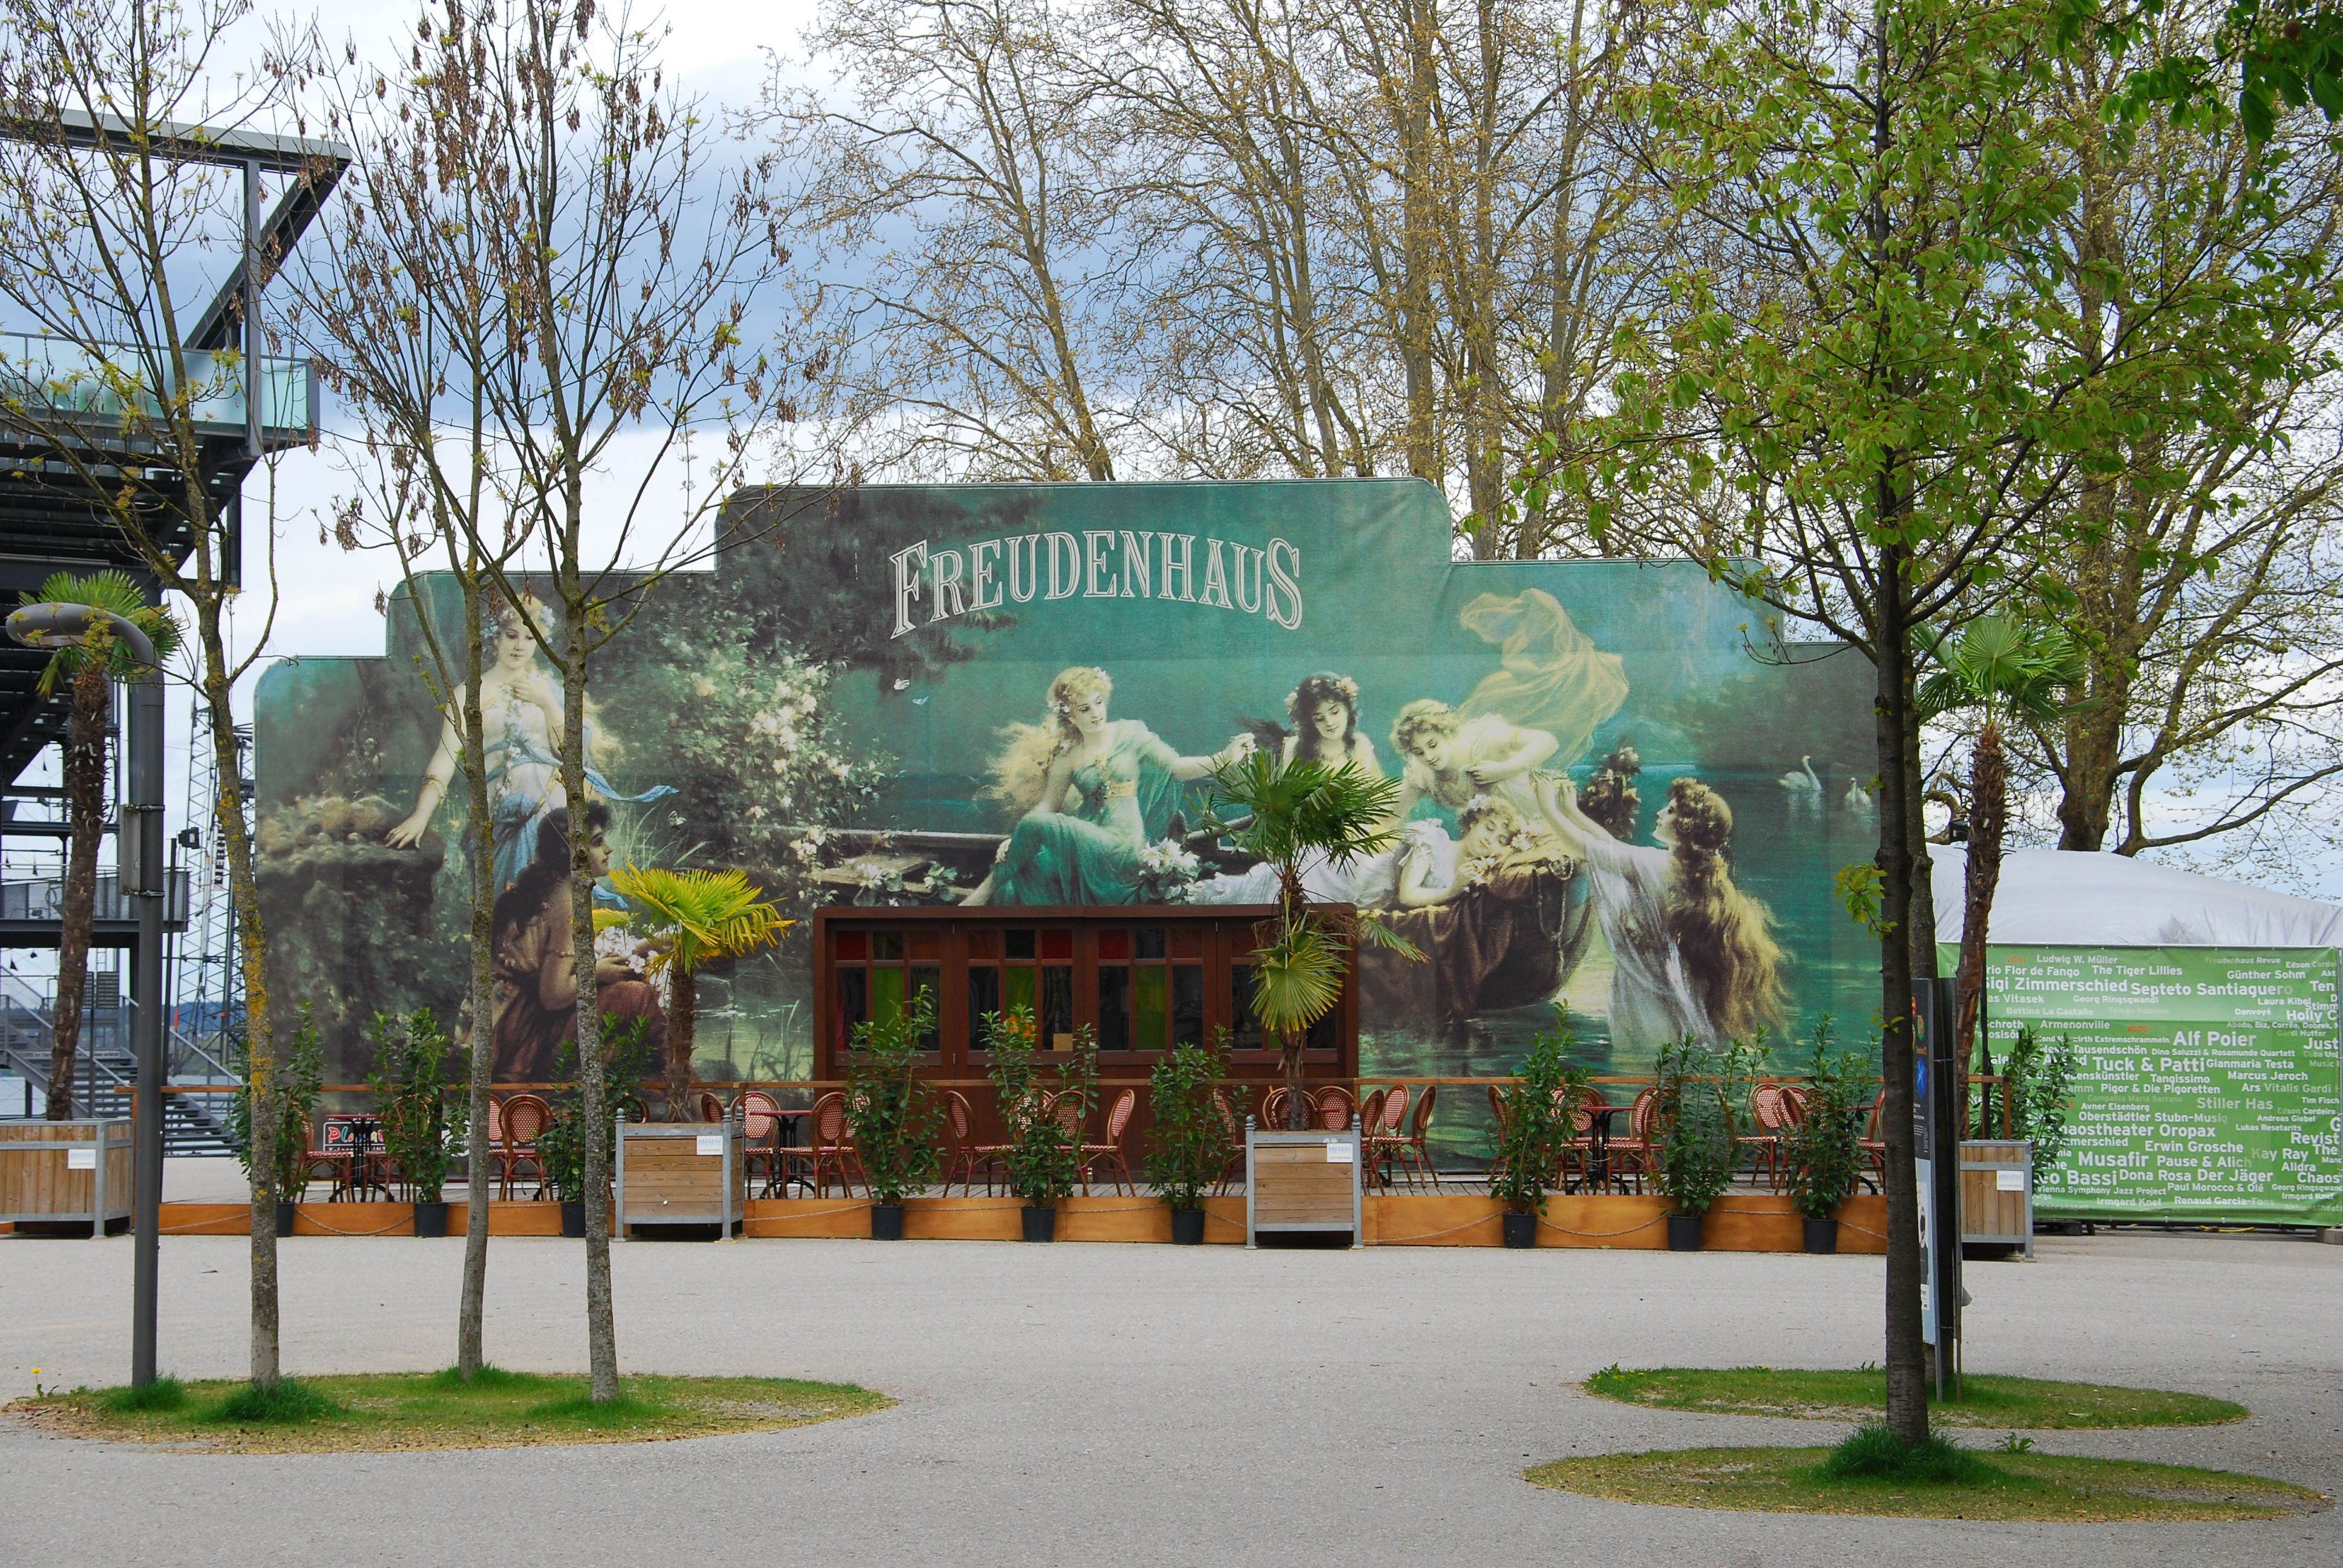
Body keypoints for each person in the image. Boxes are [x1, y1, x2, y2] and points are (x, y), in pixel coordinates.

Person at [386, 591, 668, 894]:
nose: (520, 646)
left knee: (559, 895)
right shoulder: (468, 693)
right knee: (513, 898)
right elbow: (444, 760)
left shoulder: (548, 688)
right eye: (512, 636)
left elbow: (569, 753)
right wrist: (419, 817)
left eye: (530, 638)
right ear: (495, 637)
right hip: (503, 812)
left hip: (554, 808)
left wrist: (546, 703)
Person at [962, 665, 1254, 906]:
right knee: (1029, 872)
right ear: (1070, 715)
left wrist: (1223, 758)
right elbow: (1048, 806)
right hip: (1089, 842)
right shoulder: (1068, 756)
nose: (1095, 713)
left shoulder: (1131, 733)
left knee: (1033, 827)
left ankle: (981, 895)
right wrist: (1016, 840)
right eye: (1084, 708)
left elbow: (1177, 768)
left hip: (1123, 847)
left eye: (1099, 702)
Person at [1537, 773, 1786, 1051]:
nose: (1659, 813)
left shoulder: (1655, 864)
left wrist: (1548, 807)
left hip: (1644, 988)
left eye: (1670, 811)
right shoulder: (1683, 868)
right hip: (1667, 982)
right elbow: (1614, 849)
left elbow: (1584, 847)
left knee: (1640, 1062)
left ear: (1686, 826)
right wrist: (1571, 812)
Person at [490, 802, 666, 1081]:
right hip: (523, 1033)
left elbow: (566, 963)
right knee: (637, 997)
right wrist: (598, 973)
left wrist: (644, 946)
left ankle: (672, 1089)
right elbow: (553, 995)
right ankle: (686, 1090)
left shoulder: (553, 887)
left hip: (514, 1021)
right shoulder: (566, 899)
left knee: (625, 1026)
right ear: (570, 851)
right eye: (597, 842)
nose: (608, 849)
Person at [1277, 671, 1383, 776]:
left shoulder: (1360, 745)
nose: (1330, 723)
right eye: (1319, 719)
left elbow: (1377, 785)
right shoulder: (1294, 747)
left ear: (1347, 710)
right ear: (1310, 722)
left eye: (1335, 712)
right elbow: (1286, 786)